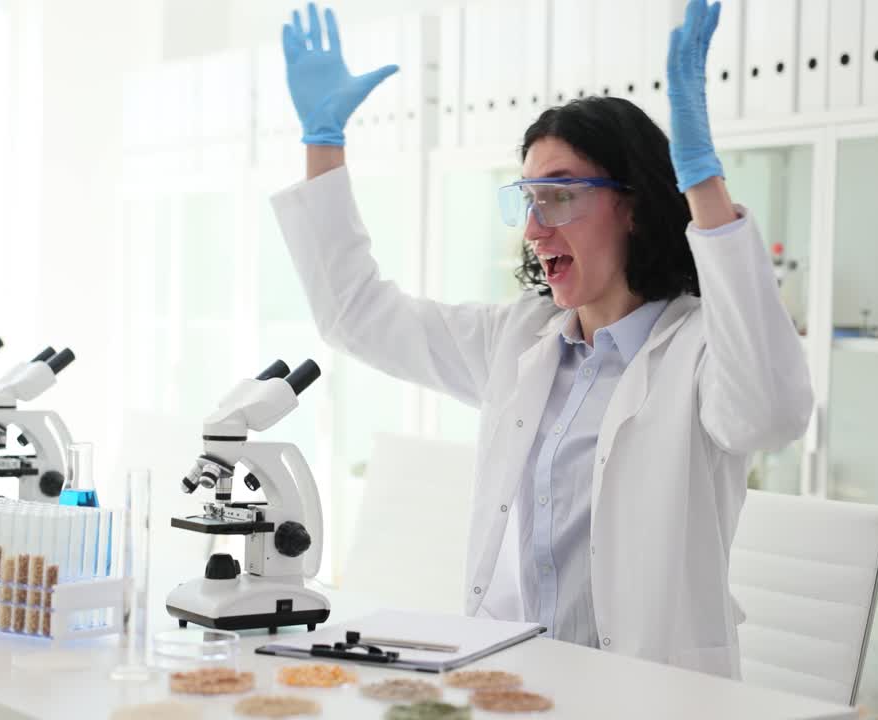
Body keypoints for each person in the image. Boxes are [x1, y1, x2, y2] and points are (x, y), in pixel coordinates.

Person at [270, 0, 812, 679]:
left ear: (634, 203)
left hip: (650, 696)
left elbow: (770, 412)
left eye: (558, 196)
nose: (533, 227)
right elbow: (357, 314)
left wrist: (701, 177)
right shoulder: (518, 339)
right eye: (527, 198)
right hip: (514, 685)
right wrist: (324, 142)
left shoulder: (700, 350)